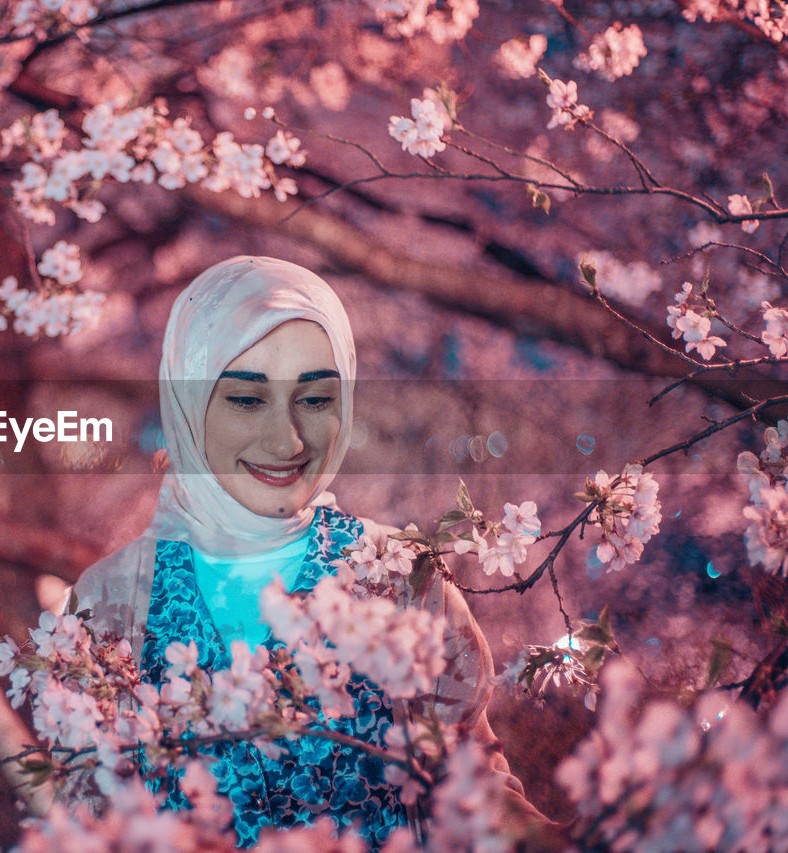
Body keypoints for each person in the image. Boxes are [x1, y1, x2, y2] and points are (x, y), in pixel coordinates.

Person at [72, 256, 549, 847]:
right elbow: (84, 826)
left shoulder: (398, 576)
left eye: (316, 399)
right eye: (247, 399)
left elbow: (472, 787)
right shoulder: (108, 603)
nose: (287, 439)